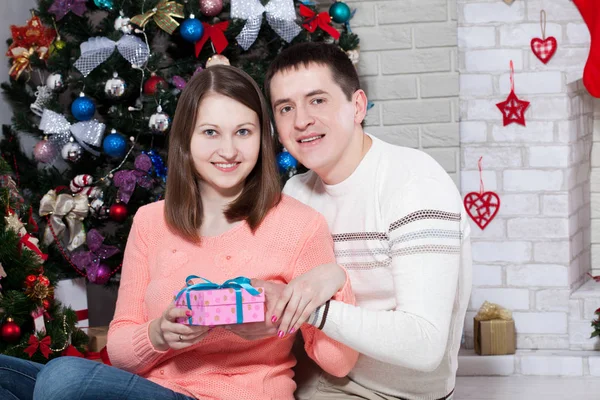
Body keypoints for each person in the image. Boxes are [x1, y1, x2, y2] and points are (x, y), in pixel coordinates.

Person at [0, 65, 358, 400]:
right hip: (155, 390)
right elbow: (121, 348)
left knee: (63, 378)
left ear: (262, 139)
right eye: (210, 132)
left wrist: (329, 283)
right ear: (186, 140)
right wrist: (159, 333)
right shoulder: (151, 221)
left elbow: (338, 362)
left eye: (244, 132)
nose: (229, 151)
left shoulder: (299, 225)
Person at [258, 42, 473, 400]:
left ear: (357, 106)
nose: (301, 120)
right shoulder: (295, 192)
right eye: (285, 107)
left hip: (391, 392)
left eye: (317, 100)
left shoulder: (415, 184)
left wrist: (311, 309)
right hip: (306, 373)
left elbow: (425, 343)